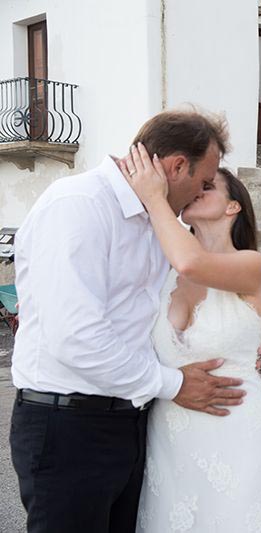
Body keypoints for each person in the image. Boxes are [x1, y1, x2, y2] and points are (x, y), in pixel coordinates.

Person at [10, 110, 248, 533]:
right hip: (70, 428)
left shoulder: (158, 223)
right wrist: (174, 383)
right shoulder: (78, 205)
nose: (200, 191)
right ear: (177, 166)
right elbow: (76, 337)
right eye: (204, 180)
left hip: (132, 422)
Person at [120, 148, 261, 531]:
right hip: (168, 432)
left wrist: (153, 197)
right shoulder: (162, 268)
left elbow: (193, 263)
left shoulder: (253, 266)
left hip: (234, 428)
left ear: (234, 208)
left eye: (208, 186)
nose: (197, 189)